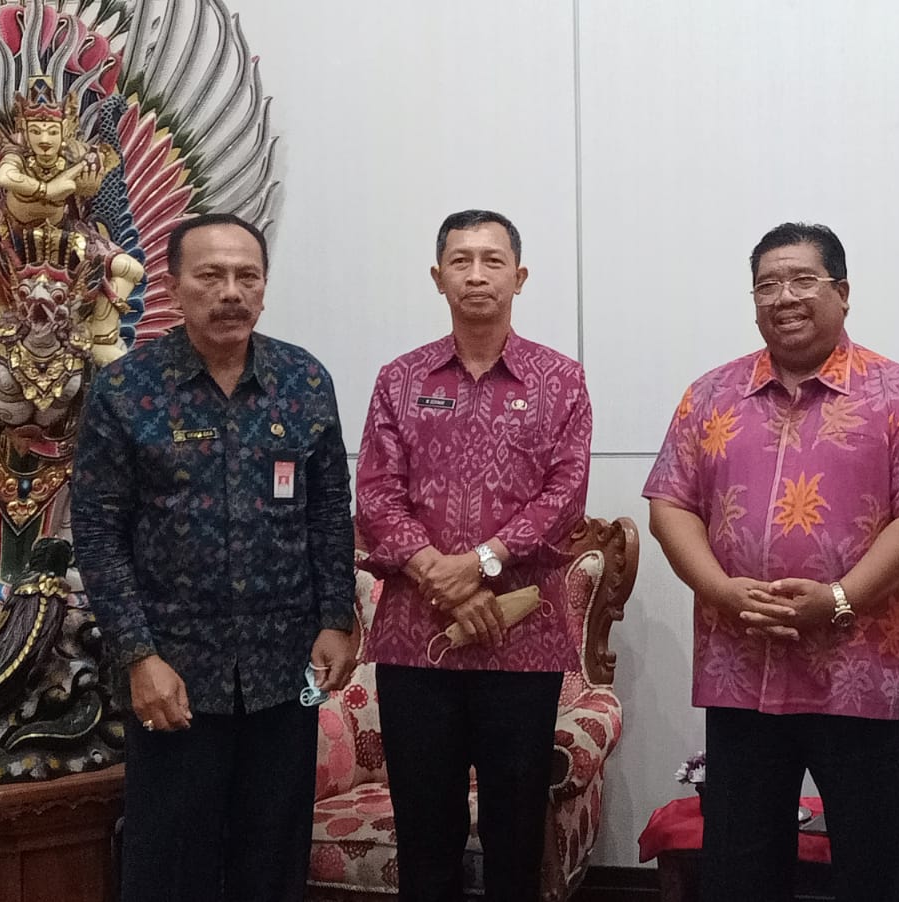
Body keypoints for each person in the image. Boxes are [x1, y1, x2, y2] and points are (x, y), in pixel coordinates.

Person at [643, 222, 899, 902]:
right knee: (739, 865)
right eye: (767, 284)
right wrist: (721, 591)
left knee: (875, 867)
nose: (784, 296)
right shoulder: (709, 395)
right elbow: (670, 506)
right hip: (741, 666)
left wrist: (840, 599)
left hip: (861, 671)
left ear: (842, 292)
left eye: (802, 279)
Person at [72, 212, 357, 902]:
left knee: (274, 862)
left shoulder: (303, 380)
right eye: (211, 275)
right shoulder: (126, 390)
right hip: (172, 673)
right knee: (172, 868)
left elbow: (328, 509)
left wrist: (336, 617)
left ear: (263, 287)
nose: (231, 291)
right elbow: (99, 533)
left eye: (246, 276)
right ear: (173, 287)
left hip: (286, 668)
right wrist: (138, 656)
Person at [355, 209, 593, 902]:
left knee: (516, 836)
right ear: (438, 278)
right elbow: (376, 493)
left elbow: (565, 497)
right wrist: (439, 575)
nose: (477, 274)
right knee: (425, 833)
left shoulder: (560, 379)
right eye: (461, 261)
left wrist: (480, 565)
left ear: (520, 276)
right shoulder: (400, 379)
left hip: (520, 636)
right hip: (416, 638)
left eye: (493, 260)